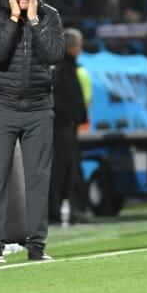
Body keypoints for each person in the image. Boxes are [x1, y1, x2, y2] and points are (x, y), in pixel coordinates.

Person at [0, 0, 65, 264]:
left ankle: (37, 247)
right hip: (2, 107)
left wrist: (33, 21)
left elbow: (55, 55)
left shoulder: (50, 16)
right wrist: (15, 19)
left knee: (38, 179)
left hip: (40, 108)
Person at [50, 28, 88, 225]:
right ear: (72, 47)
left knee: (69, 169)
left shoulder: (67, 67)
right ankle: (56, 211)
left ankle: (68, 209)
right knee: (60, 169)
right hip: (61, 127)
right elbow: (61, 99)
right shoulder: (61, 69)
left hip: (67, 126)